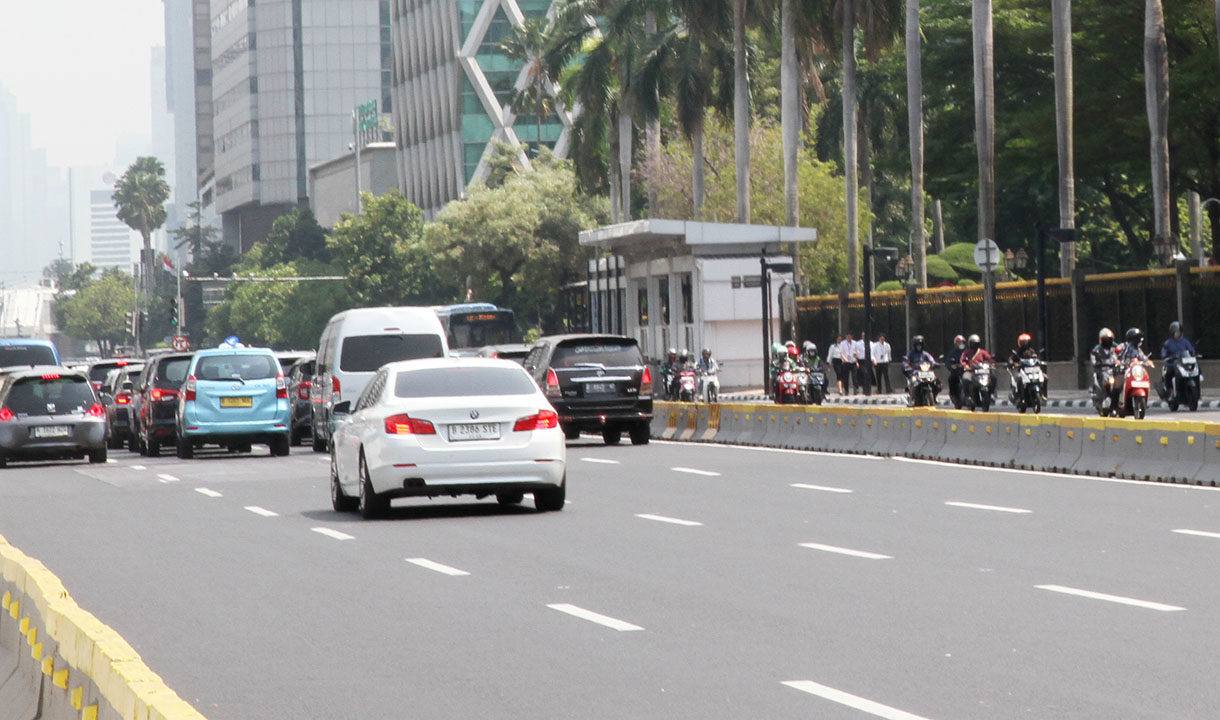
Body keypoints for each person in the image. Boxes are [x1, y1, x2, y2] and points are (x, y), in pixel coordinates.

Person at [1160, 320, 1197, 399]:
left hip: (1184, 363)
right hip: (1173, 363)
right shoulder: (1168, 342)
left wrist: (1193, 353)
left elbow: (1191, 349)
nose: (1178, 333)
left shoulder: (1184, 341)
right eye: (1176, 332)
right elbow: (1164, 351)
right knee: (1168, 374)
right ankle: (1171, 392)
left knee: (1195, 368)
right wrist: (1165, 356)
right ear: (1172, 332)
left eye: (1179, 331)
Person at [945, 334, 968, 404]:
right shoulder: (952, 353)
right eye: (959, 343)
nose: (961, 344)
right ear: (956, 344)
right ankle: (953, 395)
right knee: (952, 379)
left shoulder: (967, 352)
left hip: (967, 371)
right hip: (957, 372)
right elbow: (948, 362)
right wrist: (952, 366)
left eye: (962, 343)